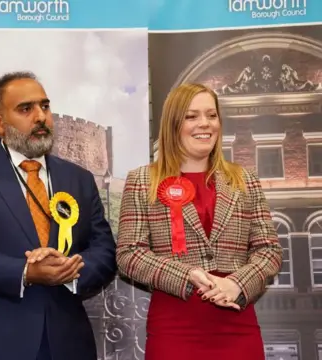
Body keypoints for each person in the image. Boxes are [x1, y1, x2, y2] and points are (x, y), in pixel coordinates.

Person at [0, 71, 117, 360]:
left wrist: (70, 271)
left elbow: (105, 250)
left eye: (44, 106)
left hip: (68, 344)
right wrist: (24, 272)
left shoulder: (79, 179)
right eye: (25, 109)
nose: (40, 116)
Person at [116, 83, 282, 360]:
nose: (204, 124)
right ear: (173, 124)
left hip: (238, 327)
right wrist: (187, 275)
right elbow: (128, 254)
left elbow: (270, 251)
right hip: (174, 328)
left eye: (211, 115)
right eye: (191, 116)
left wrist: (238, 283)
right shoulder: (142, 181)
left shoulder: (245, 181)